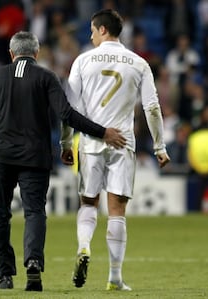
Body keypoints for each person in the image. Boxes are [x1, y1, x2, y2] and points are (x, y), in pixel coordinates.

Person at [0, 31, 126, 292]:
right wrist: (103, 132)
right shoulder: (46, 77)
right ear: (36, 53)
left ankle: (4, 276)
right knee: (34, 211)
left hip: (2, 155)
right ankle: (33, 261)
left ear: (11, 53)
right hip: (35, 156)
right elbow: (66, 114)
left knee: (0, 214)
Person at [59, 9, 170, 291]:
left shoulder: (83, 60)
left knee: (88, 202)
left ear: (103, 30)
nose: (91, 35)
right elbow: (152, 108)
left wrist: (65, 142)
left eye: (93, 30)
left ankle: (84, 246)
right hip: (123, 143)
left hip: (91, 143)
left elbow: (68, 109)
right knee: (117, 209)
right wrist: (159, 146)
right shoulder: (139, 63)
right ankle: (115, 277)